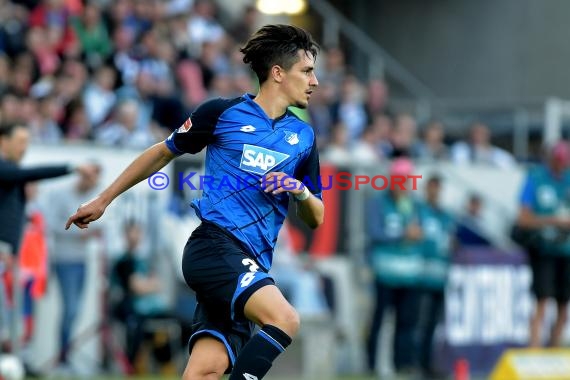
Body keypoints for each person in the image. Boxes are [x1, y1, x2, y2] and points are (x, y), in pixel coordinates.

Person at [66, 24, 324, 380]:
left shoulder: (304, 137)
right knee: (284, 319)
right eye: (307, 71)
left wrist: (300, 191)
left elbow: (316, 217)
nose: (315, 82)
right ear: (278, 73)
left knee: (203, 373)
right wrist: (104, 198)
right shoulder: (223, 113)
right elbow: (161, 153)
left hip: (251, 265)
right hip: (215, 248)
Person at [365, 158, 423, 376]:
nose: (403, 185)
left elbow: (417, 230)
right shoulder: (378, 202)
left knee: (406, 322)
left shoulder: (412, 203)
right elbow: (375, 233)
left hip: (409, 272)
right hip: (385, 271)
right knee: (380, 320)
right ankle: (372, 364)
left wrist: (416, 235)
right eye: (399, 180)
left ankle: (402, 364)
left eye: (406, 180)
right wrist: (402, 235)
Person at [45, 161, 103, 370]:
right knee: (70, 310)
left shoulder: (94, 198)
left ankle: (65, 356)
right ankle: (63, 359)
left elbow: (102, 226)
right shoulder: (61, 194)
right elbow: (51, 224)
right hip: (64, 259)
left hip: (81, 260)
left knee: (75, 311)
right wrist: (79, 234)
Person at [516, 141, 570, 348]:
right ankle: (534, 348)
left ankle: (554, 348)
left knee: (564, 304)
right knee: (542, 300)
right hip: (544, 249)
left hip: (566, 250)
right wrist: (554, 220)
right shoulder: (536, 178)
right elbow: (523, 219)